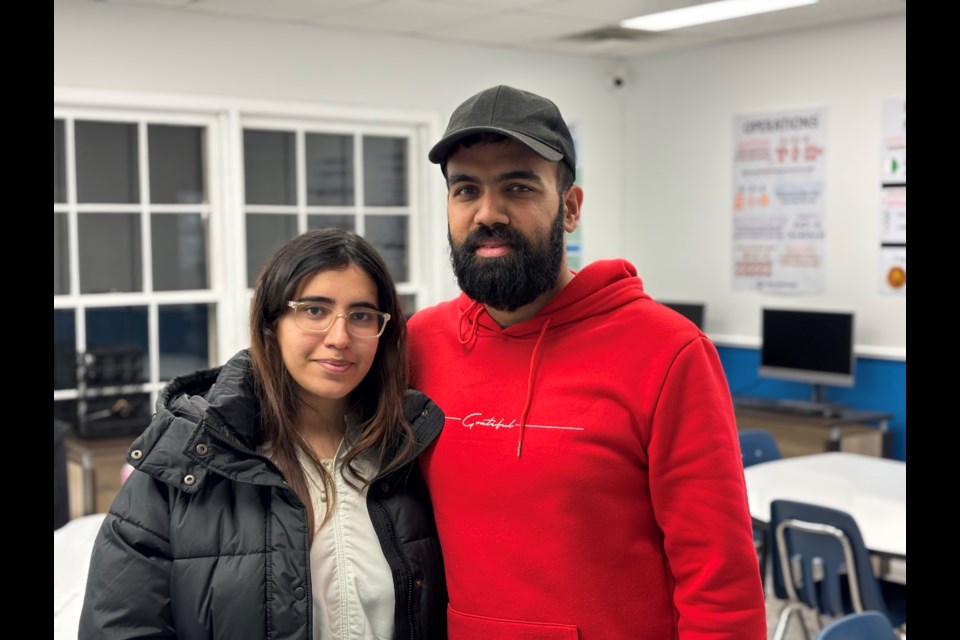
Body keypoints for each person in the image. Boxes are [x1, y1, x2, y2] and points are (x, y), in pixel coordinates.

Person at [406, 85, 767, 639]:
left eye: (518, 187)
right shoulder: (420, 343)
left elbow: (719, 581)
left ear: (569, 208)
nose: (489, 213)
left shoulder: (669, 353)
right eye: (466, 190)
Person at [79, 228, 447, 639]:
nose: (339, 338)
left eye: (361, 316)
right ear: (272, 323)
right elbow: (118, 628)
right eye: (314, 311)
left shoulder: (413, 452)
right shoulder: (184, 462)